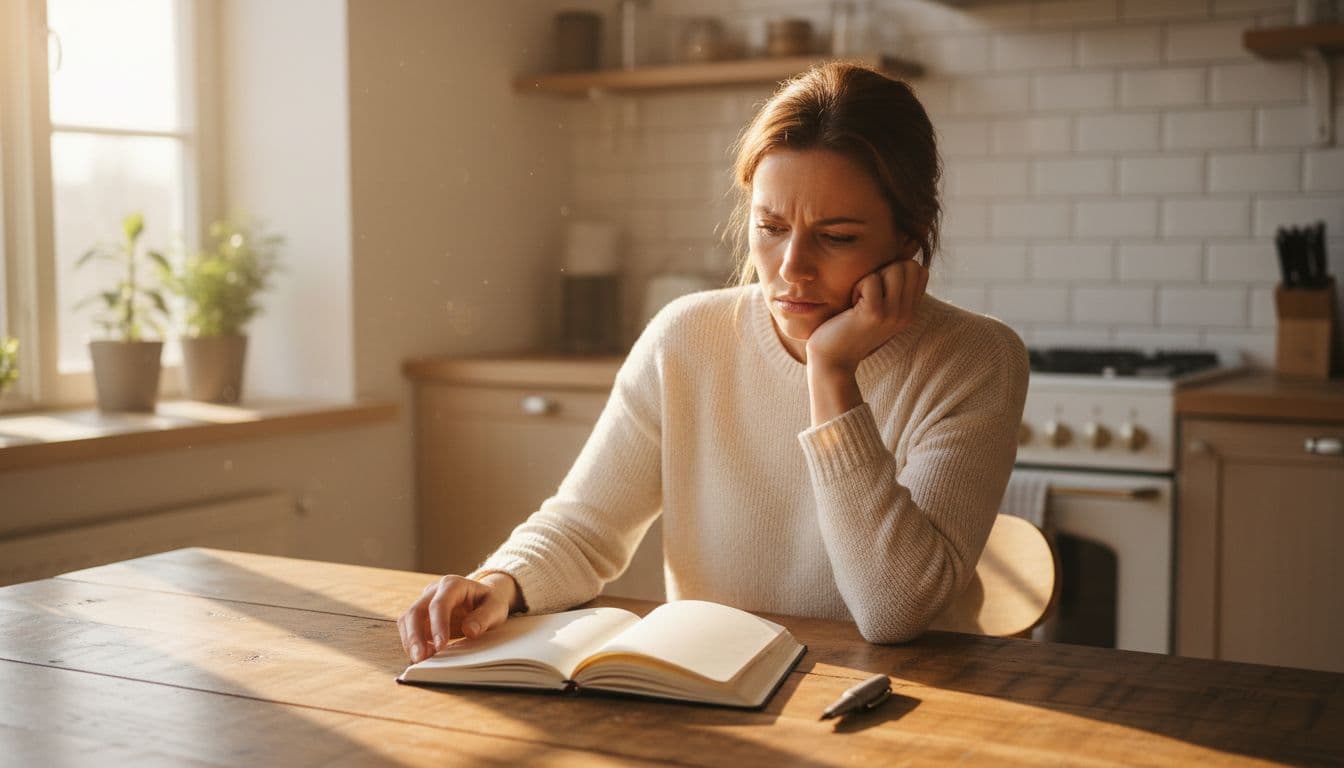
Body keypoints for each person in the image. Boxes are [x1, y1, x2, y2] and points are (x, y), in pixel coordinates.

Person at [398, 62, 1028, 663]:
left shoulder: (975, 359)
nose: (791, 268)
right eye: (771, 227)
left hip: (904, 704)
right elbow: (587, 525)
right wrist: (500, 581)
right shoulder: (687, 335)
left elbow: (894, 611)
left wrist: (830, 373)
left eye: (836, 237)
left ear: (910, 236)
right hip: (716, 688)